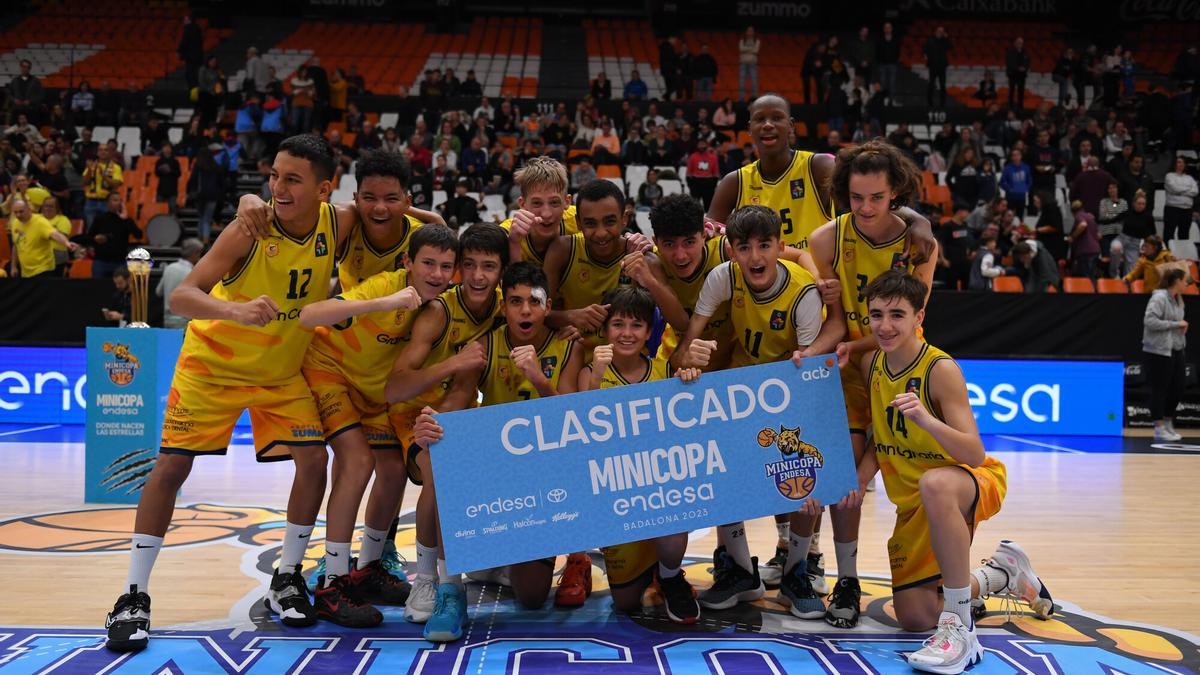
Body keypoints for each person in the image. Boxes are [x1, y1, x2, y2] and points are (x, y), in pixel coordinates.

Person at [103, 135, 352, 653]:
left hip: (280, 372)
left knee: (314, 462)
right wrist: (235, 310)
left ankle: (287, 577)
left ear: (325, 189)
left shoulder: (339, 223)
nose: (276, 187)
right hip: (212, 365)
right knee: (170, 469)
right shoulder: (249, 227)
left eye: (292, 179)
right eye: (274, 176)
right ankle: (132, 596)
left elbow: (395, 216)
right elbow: (181, 294)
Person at [856, 270, 1053, 674]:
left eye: (897, 314)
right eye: (877, 315)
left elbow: (974, 451)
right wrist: (859, 479)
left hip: (968, 481)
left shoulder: (939, 369)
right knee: (914, 615)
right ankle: (999, 574)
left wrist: (927, 421)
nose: (886, 325)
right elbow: (880, 434)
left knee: (935, 482)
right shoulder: (871, 364)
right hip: (915, 503)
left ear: (918, 316)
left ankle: (961, 628)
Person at [799, 141, 937, 628]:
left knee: (913, 487)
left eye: (876, 197)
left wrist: (858, 350)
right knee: (840, 480)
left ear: (895, 192)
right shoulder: (825, 240)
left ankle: (954, 582)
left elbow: (909, 325)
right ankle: (846, 577)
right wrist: (815, 352)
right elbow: (836, 323)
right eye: (856, 197)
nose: (865, 207)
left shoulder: (919, 243)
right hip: (848, 370)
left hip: (899, 367)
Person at [413, 262, 584, 642]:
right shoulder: (487, 343)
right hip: (495, 464)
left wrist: (539, 379)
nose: (525, 310)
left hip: (543, 472)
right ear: (503, 307)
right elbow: (459, 396)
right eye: (515, 302)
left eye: (534, 302)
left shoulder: (569, 346)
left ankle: (490, 563)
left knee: (533, 597)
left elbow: (571, 419)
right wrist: (433, 422)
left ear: (547, 305)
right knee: (449, 459)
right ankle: (449, 590)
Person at [297, 224, 457, 627]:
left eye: (445, 266)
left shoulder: (444, 303)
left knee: (391, 470)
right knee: (359, 461)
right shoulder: (386, 286)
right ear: (408, 263)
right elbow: (309, 315)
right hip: (330, 372)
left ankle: (366, 570)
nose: (436, 273)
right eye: (427, 264)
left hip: (377, 393)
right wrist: (382, 302)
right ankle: (332, 585)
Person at [673, 205, 829, 615]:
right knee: (718, 460)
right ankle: (741, 570)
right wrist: (692, 359)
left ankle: (797, 570)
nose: (755, 257)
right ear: (730, 250)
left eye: (764, 246)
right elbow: (689, 341)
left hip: (789, 386)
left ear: (781, 246)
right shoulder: (722, 277)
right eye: (745, 247)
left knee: (801, 471)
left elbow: (808, 367)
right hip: (742, 384)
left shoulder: (804, 293)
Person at [383, 223, 509, 629]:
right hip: (414, 416)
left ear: (502, 271)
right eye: (468, 265)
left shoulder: (504, 307)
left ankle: (480, 558)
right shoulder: (438, 312)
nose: (476, 275)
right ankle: (430, 581)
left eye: (488, 266)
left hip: (458, 415)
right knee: (444, 471)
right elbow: (394, 388)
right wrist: (453, 363)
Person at [544, 179, 686, 354]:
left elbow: (681, 323)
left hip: (629, 368)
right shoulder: (562, 250)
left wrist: (649, 281)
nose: (601, 232)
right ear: (578, 223)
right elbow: (540, 314)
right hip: (575, 361)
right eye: (590, 223)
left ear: (624, 219)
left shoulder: (644, 257)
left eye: (609, 222)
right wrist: (571, 316)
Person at [501, 156, 580, 266]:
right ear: (522, 204)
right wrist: (514, 244)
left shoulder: (582, 221)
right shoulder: (506, 234)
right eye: (537, 203)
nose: (546, 214)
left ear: (567, 202)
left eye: (554, 202)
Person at [1143, 267, 1190, 442]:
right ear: (1177, 281)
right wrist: (1176, 324)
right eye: (1185, 280)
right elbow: (1149, 321)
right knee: (1159, 388)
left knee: (1178, 387)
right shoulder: (1159, 298)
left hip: (1176, 349)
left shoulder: (1179, 300)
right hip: (1158, 350)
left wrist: (1179, 327)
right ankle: (1159, 427)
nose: (1187, 284)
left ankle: (1169, 423)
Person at [6, 198, 76, 278]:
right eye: (16, 212)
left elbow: (54, 234)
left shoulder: (40, 222)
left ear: (29, 209)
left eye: (21, 211)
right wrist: (13, 266)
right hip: (26, 271)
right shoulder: (15, 223)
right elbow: (16, 246)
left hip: (43, 269)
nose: (18, 215)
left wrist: (67, 243)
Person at [87, 192, 141, 279]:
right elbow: (89, 237)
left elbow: (139, 235)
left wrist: (126, 219)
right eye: (115, 200)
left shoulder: (126, 220)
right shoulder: (100, 219)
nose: (119, 202)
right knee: (97, 288)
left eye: (121, 200)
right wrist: (96, 239)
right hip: (101, 261)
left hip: (120, 262)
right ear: (108, 203)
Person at [155, 238, 204, 328]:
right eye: (199, 254)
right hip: (184, 320)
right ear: (194, 253)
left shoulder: (169, 268)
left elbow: (158, 292)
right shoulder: (192, 272)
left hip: (167, 319)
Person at [82, 144, 123, 228]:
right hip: (91, 201)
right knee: (90, 228)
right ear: (97, 153)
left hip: (107, 202)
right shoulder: (92, 165)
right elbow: (84, 182)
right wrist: (89, 170)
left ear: (109, 153)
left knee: (106, 228)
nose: (103, 152)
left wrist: (104, 176)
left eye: (105, 150)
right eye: (100, 150)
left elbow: (116, 185)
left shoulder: (116, 167)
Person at [1164, 157, 1199, 242]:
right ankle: (1168, 253)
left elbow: (1195, 191)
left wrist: (1179, 192)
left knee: (1184, 235)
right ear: (1174, 164)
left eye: (1182, 162)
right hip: (1172, 209)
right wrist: (1187, 190)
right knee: (1169, 233)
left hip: (1187, 210)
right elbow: (1174, 188)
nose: (1181, 164)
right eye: (1178, 162)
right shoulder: (1169, 176)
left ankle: (1183, 254)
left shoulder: (1190, 178)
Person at [39, 196, 74, 276]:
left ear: (57, 208)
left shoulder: (63, 219)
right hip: (39, 253)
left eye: (51, 206)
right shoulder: (37, 218)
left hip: (57, 254)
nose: (48, 208)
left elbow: (61, 237)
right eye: (46, 206)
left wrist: (43, 233)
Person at [1067, 199, 1100, 280]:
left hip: (1085, 250)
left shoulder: (1079, 216)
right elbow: (1099, 235)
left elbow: (1083, 225)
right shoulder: (1091, 217)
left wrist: (1072, 236)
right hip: (1095, 250)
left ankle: (1088, 292)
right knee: (1092, 276)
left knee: (1085, 278)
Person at [686, 139, 720, 209]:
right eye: (700, 144)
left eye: (703, 144)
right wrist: (691, 184)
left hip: (708, 183)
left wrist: (713, 184)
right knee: (694, 206)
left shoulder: (713, 157)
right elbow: (689, 172)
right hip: (696, 182)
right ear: (697, 146)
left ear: (707, 145)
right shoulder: (693, 156)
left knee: (708, 206)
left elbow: (716, 173)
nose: (701, 146)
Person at [999, 149, 1031, 221]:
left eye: (1018, 155)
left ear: (1021, 156)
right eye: (1014, 155)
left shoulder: (1026, 167)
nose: (1016, 157)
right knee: (1008, 216)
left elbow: (1029, 180)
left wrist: (1026, 188)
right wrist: (1009, 189)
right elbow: (1002, 182)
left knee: (1020, 217)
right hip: (1010, 197)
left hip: (1021, 196)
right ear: (1011, 157)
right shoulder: (1007, 168)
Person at [924, 26, 951, 109]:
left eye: (942, 31)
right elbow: (925, 49)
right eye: (939, 31)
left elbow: (950, 47)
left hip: (942, 66)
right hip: (933, 66)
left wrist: (947, 38)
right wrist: (926, 55)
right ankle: (929, 103)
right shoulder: (930, 40)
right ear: (935, 32)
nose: (940, 32)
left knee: (943, 85)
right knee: (931, 85)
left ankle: (942, 104)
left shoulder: (944, 41)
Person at [1005, 37, 1029, 109]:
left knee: (1021, 91)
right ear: (1015, 43)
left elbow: (1028, 62)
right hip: (1013, 74)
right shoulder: (1010, 51)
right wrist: (1018, 68)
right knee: (1011, 90)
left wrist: (1025, 68)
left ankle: (1020, 106)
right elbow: (1009, 62)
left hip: (1022, 75)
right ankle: (1010, 106)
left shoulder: (1025, 52)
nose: (1020, 44)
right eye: (1018, 42)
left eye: (1021, 43)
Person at [739, 27, 760, 100]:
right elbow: (741, 49)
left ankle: (753, 98)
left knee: (754, 82)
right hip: (743, 64)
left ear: (753, 32)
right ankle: (741, 98)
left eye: (751, 31)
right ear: (746, 32)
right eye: (749, 31)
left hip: (752, 64)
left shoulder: (756, 40)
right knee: (741, 82)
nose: (750, 32)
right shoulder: (742, 40)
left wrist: (746, 49)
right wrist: (751, 49)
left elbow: (756, 50)